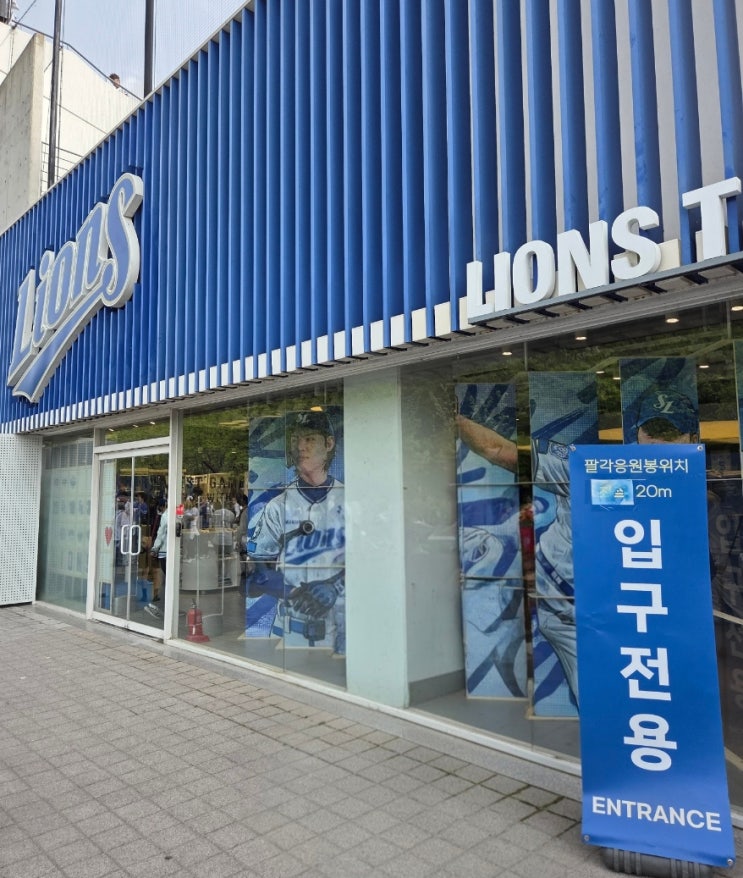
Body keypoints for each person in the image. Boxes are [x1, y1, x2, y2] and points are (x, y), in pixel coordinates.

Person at [456, 386, 699, 707]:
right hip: (567, 607)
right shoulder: (595, 467)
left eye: (671, 433)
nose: (658, 443)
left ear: (692, 438)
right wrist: (453, 418)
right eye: (652, 432)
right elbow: (498, 450)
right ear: (637, 434)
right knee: (604, 702)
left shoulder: (694, 483)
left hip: (634, 610)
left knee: (652, 693)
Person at [245, 411, 345, 655]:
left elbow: (372, 561)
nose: (301, 446)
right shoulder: (278, 506)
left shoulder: (349, 499)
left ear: (329, 443)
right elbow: (258, 569)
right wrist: (292, 592)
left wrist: (336, 586)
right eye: (295, 439)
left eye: (309, 438)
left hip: (341, 629)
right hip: (289, 629)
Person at [146, 500, 168, 619]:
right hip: (170, 552)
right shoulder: (173, 515)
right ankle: (162, 603)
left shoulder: (166, 515)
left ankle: (161, 604)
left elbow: (160, 533)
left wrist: (155, 548)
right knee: (168, 579)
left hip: (165, 551)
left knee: (165, 578)